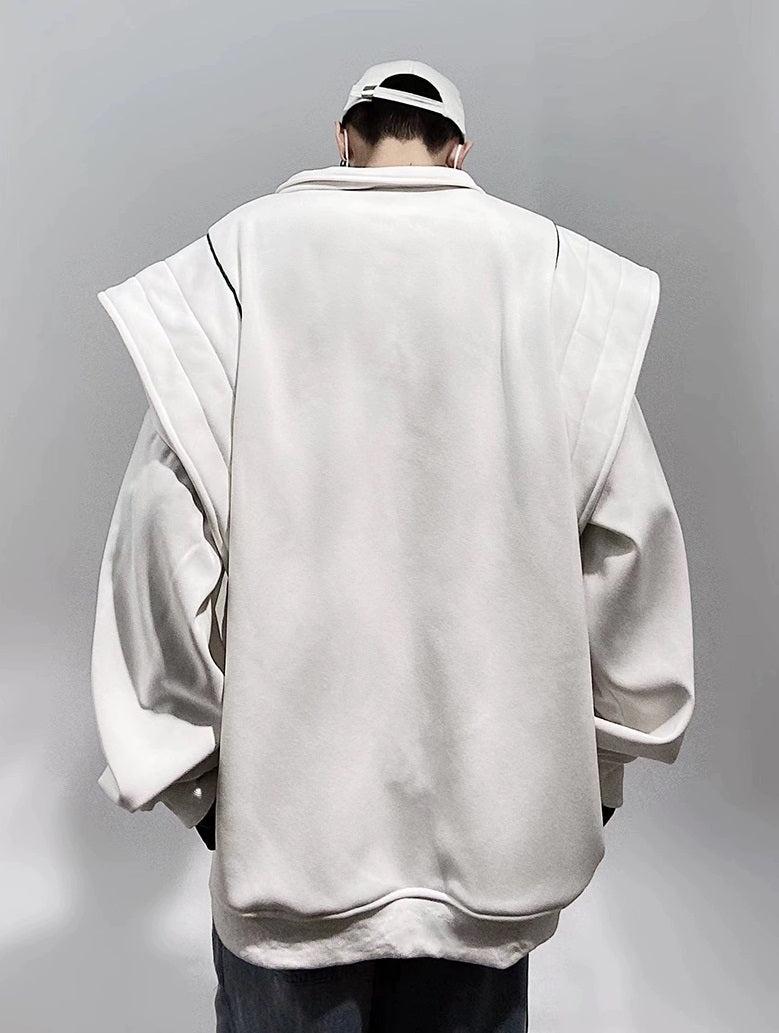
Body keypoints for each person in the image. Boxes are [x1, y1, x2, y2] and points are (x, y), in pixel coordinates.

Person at [89, 59, 695, 1032]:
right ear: (456, 152)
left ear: (344, 138)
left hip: (290, 845)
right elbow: (631, 543)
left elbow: (161, 537)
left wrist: (198, 779)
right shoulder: (549, 274)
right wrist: (601, 765)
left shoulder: (238, 263)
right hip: (491, 843)